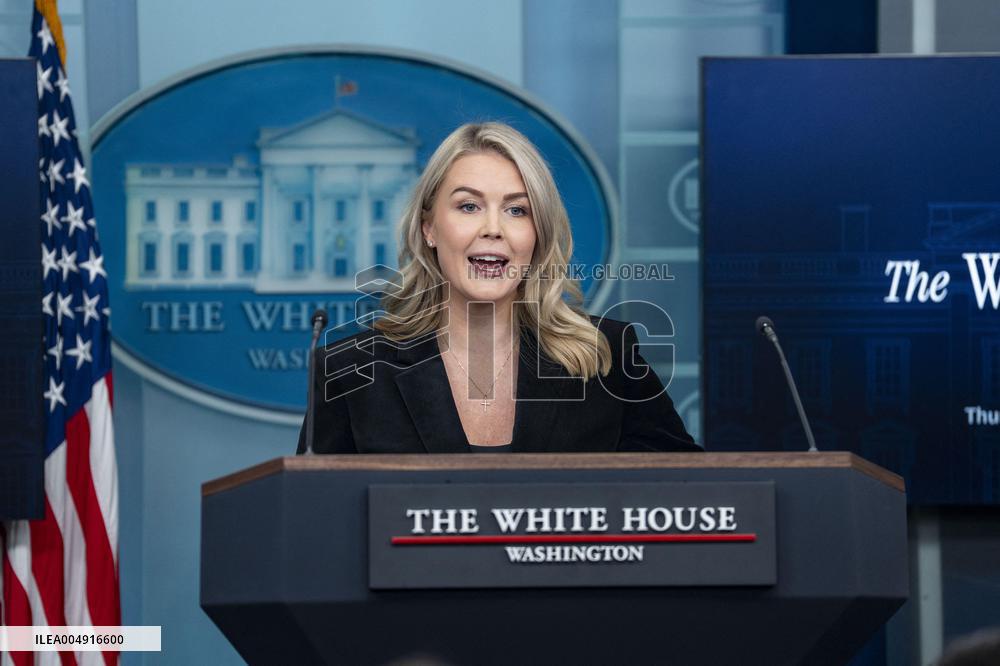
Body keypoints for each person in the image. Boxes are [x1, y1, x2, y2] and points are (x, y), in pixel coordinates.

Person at [296, 122, 699, 454]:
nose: (493, 228)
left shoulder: (607, 357)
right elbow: (314, 523)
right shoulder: (349, 372)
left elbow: (693, 497)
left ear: (538, 234)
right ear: (429, 228)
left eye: (516, 210)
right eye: (468, 206)